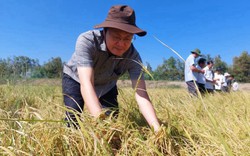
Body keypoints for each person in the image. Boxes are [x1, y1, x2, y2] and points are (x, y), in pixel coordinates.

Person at [62, 5, 160, 131]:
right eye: (116, 37)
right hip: (76, 79)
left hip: (107, 84)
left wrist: (156, 128)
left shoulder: (133, 57)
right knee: (73, 116)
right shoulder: (87, 41)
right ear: (105, 31)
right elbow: (86, 83)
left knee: (111, 119)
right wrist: (99, 120)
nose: (121, 44)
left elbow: (141, 94)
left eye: (127, 38)